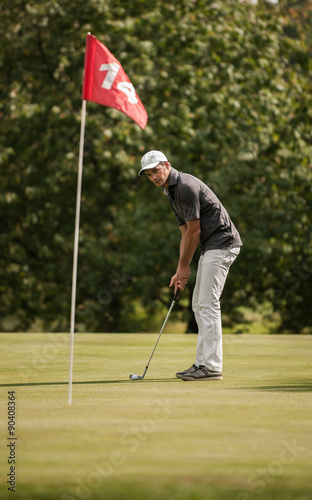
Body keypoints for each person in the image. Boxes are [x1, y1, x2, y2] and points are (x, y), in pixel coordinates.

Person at [138, 150, 242, 381]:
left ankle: (211, 367)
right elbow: (185, 234)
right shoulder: (172, 194)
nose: (154, 177)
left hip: (222, 243)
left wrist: (185, 268)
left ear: (167, 165)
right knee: (199, 304)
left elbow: (195, 231)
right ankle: (202, 364)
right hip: (211, 246)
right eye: (148, 174)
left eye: (156, 170)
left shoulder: (184, 186)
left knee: (207, 302)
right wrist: (180, 270)